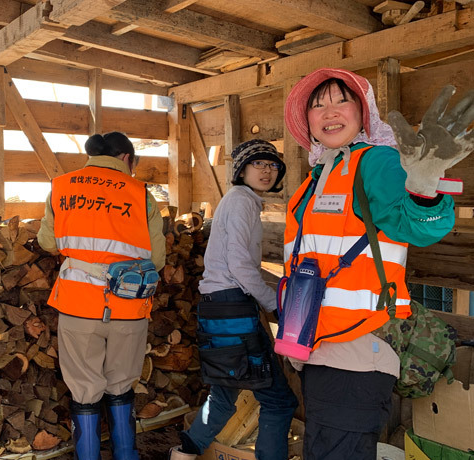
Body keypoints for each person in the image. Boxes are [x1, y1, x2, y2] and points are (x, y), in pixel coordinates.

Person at [282, 68, 474, 459]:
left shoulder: (375, 161)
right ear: (308, 123)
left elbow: (416, 227)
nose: (329, 111)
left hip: (358, 349)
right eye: (317, 105)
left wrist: (422, 190)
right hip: (318, 348)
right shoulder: (319, 174)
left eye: (341, 100)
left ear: (363, 112)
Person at [37, 132, 165, 460]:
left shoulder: (62, 186)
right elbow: (158, 259)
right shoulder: (141, 194)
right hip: (129, 307)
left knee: (84, 389)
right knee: (121, 386)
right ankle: (126, 455)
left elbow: (47, 242)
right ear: (125, 158)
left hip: (78, 306)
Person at [170, 139, 298, 460]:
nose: (267, 171)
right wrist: (274, 304)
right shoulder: (241, 201)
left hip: (217, 308)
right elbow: (241, 265)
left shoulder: (239, 201)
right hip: (233, 308)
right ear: (241, 170)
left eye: (272, 165)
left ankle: (183, 454)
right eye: (258, 164)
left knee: (224, 395)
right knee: (279, 401)